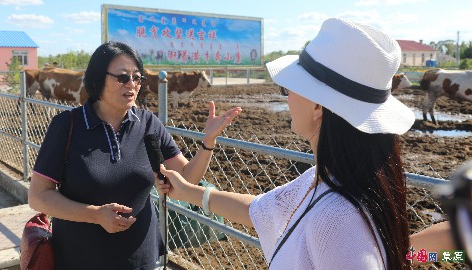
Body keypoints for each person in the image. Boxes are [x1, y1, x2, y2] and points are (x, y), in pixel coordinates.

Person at [159, 18, 415, 269]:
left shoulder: (335, 219)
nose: (288, 97)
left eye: (289, 89)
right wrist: (186, 191)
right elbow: (258, 210)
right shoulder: (325, 178)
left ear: (317, 106)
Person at [28, 41, 241, 269]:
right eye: (122, 77)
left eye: (137, 78)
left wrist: (208, 143)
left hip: (141, 258)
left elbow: (187, 178)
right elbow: (38, 196)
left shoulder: (148, 124)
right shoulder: (68, 126)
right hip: (79, 258)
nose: (131, 84)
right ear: (99, 78)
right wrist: (95, 215)